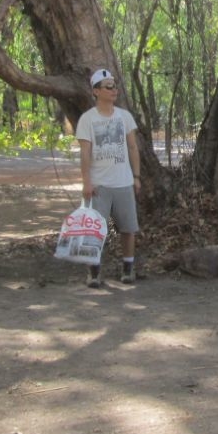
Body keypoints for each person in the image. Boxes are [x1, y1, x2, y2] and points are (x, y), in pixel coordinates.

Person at [75, 68, 141, 288]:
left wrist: (136, 176)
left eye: (115, 86)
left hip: (123, 182)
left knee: (128, 228)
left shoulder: (125, 117)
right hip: (99, 185)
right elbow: (85, 152)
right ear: (96, 91)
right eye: (108, 86)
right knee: (95, 229)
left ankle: (128, 267)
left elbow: (132, 147)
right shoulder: (87, 119)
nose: (114, 90)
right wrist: (86, 181)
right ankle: (94, 271)